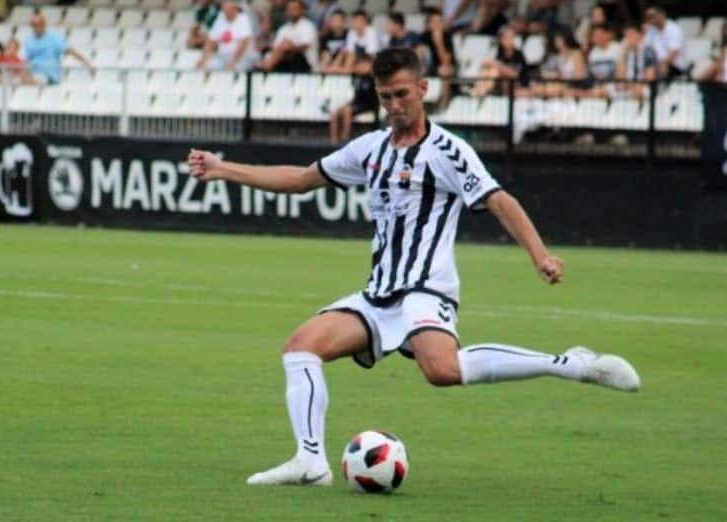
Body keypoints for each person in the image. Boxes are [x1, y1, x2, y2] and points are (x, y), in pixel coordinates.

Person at [187, 47, 641, 487]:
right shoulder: (370, 148)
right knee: (300, 348)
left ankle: (568, 363)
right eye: (385, 96)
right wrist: (225, 169)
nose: (394, 105)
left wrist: (539, 255)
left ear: (424, 88)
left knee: (441, 371)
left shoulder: (448, 150)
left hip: (426, 289)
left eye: (402, 94)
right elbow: (301, 178)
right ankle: (310, 462)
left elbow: (500, 201)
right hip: (379, 293)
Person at [23, 12, 90, 85]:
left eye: (39, 24)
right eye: (34, 25)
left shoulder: (53, 38)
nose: (37, 27)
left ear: (44, 24)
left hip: (50, 76)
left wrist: (86, 62)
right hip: (34, 75)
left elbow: (70, 51)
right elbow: (27, 60)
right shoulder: (29, 41)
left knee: (32, 81)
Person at [197, 0, 258, 72]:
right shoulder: (221, 17)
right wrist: (204, 58)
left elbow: (244, 43)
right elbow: (211, 41)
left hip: (243, 57)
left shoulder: (243, 19)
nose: (226, 13)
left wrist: (233, 61)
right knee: (204, 66)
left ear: (235, 9)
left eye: (228, 11)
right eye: (224, 10)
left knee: (233, 68)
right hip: (223, 56)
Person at [328, 54, 377, 144]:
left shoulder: (373, 78)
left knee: (347, 111)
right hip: (356, 102)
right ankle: (333, 140)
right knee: (335, 112)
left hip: (368, 103)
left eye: (364, 65)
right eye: (359, 65)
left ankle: (344, 139)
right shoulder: (356, 76)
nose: (361, 67)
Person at [258, 0, 318, 72]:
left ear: (302, 10)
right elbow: (276, 47)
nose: (292, 11)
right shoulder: (283, 28)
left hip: (305, 63)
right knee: (280, 46)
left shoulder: (308, 26)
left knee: (286, 44)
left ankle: (267, 65)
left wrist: (288, 47)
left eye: (295, 9)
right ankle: (267, 64)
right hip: (286, 62)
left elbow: (304, 47)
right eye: (290, 9)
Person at [531, 24, 586, 98]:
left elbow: (579, 76)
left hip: (572, 84)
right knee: (537, 88)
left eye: (559, 39)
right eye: (556, 39)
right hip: (557, 83)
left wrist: (560, 76)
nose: (557, 42)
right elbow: (549, 71)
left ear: (566, 38)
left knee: (551, 89)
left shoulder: (576, 53)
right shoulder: (555, 55)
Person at [472, 25, 528, 97]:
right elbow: (486, 65)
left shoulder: (518, 54)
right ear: (501, 40)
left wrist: (498, 65)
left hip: (517, 84)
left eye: (511, 38)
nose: (510, 41)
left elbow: (515, 74)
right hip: (501, 83)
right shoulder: (499, 53)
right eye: (506, 38)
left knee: (495, 70)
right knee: (488, 69)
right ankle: (479, 90)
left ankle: (481, 91)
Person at [418, 8, 456, 110]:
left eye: (440, 22)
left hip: (447, 67)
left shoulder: (447, 36)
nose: (437, 25)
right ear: (429, 24)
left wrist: (438, 42)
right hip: (431, 67)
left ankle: (442, 107)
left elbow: (446, 61)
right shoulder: (425, 36)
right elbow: (418, 54)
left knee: (444, 70)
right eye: (434, 22)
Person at [643, 6, 686, 80]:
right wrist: (644, 33)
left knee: (657, 68)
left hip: (675, 65)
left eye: (653, 16)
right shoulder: (652, 30)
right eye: (648, 17)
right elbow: (645, 48)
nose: (650, 19)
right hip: (656, 65)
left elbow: (672, 55)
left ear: (662, 14)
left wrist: (659, 64)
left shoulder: (674, 29)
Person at [615, 22, 656, 99]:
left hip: (644, 87)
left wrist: (637, 86)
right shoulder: (626, 52)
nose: (628, 38)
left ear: (640, 35)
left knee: (637, 93)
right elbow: (619, 81)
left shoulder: (648, 51)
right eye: (626, 36)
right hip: (628, 87)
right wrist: (622, 55)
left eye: (631, 34)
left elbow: (650, 76)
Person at [583, 22, 621, 98]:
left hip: (614, 86)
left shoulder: (617, 48)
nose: (596, 38)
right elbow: (592, 74)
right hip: (597, 87)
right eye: (594, 35)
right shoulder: (593, 52)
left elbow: (620, 72)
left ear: (608, 34)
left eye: (599, 35)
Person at [319, 9, 347, 73]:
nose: (335, 23)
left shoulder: (349, 35)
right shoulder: (326, 37)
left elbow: (348, 53)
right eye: (333, 20)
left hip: (344, 67)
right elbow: (324, 55)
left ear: (343, 21)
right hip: (329, 67)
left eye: (338, 20)